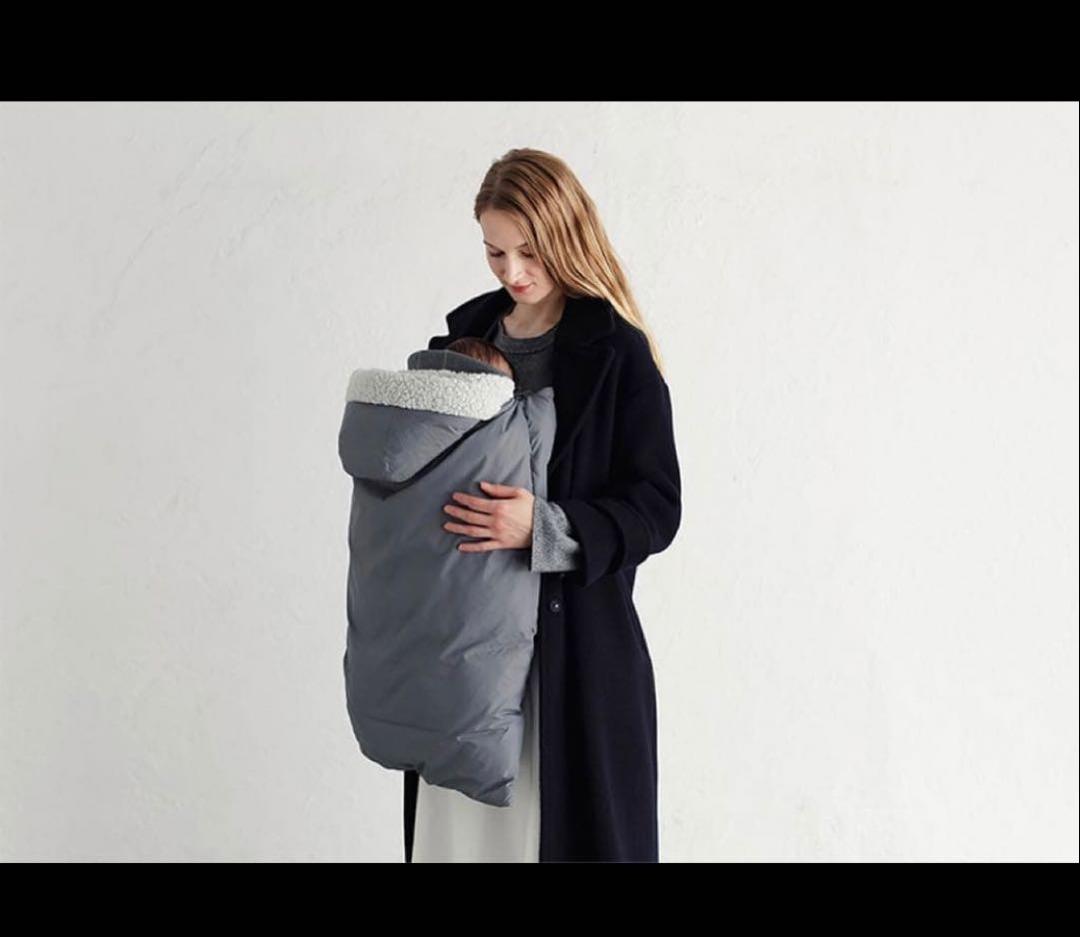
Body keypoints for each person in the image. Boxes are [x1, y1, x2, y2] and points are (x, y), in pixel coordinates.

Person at [406, 147, 682, 863]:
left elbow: (657, 507)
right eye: (494, 252)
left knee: (552, 835)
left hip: (571, 661)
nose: (512, 272)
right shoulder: (460, 341)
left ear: (566, 235)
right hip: (462, 651)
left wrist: (545, 526)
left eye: (529, 251)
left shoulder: (618, 353)